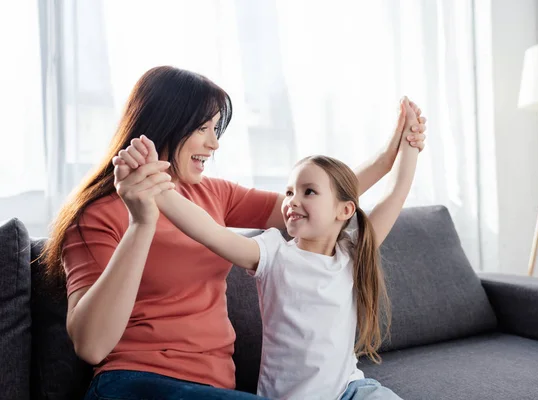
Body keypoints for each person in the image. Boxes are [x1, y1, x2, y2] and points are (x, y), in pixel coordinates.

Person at [40, 65, 426, 399]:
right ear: (166, 125)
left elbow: (320, 205)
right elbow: (91, 346)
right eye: (203, 128)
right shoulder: (97, 215)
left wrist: (394, 153)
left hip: (216, 389)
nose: (214, 142)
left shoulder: (215, 193)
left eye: (216, 128)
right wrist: (143, 220)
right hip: (135, 385)